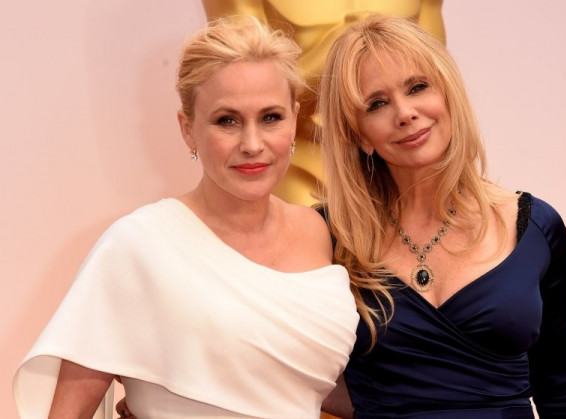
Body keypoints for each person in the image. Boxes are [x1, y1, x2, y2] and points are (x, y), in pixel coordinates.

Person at [13, 16, 359, 419]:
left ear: (294, 119)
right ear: (188, 129)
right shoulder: (138, 245)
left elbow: (303, 381)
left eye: (270, 117)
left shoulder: (320, 231)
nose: (252, 143)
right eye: (227, 120)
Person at [317, 15, 566, 418]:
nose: (405, 113)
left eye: (417, 87)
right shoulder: (327, 236)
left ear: (447, 94)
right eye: (377, 104)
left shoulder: (536, 227)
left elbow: (560, 385)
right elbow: (283, 371)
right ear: (358, 135)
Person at [200, 0, 446, 206]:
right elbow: (245, 87)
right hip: (305, 164)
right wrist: (353, 48)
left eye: (416, 89)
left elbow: (437, 73)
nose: (406, 111)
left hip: (399, 159)